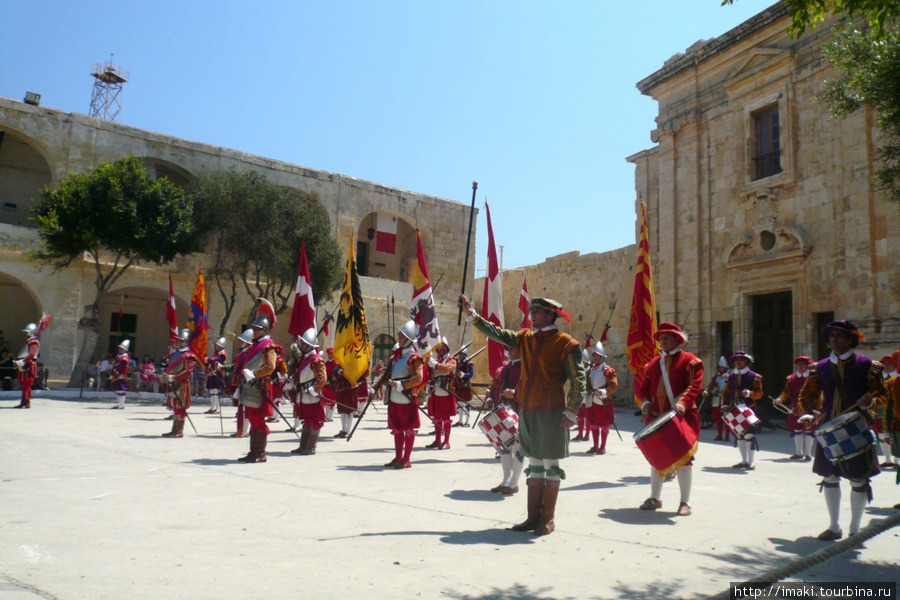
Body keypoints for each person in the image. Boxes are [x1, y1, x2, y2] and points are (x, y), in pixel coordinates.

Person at [459, 293, 585, 536]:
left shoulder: (566, 343)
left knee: (550, 463)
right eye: (531, 312)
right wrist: (472, 315)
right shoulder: (525, 338)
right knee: (535, 463)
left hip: (551, 410)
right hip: (527, 408)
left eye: (537, 311)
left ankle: (547, 518)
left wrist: (572, 410)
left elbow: (578, 380)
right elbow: (498, 333)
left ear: (550, 314)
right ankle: (532, 517)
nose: (532, 315)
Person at [799, 320, 886, 541]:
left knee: (858, 479)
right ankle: (834, 525)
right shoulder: (818, 368)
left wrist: (869, 402)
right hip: (828, 429)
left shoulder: (868, 365)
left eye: (839, 335)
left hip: (857, 428)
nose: (834, 339)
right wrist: (809, 411)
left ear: (850, 339)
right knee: (829, 477)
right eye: (831, 335)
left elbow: (881, 395)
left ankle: (855, 530)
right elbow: (806, 395)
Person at [638, 322, 704, 516]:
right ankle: (655, 497)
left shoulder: (690, 361)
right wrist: (645, 403)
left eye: (667, 337)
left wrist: (683, 402)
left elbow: (694, 386)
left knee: (684, 459)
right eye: (661, 337)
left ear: (678, 339)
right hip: (657, 418)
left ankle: (685, 502)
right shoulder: (652, 364)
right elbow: (644, 389)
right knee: (656, 458)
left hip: (680, 418)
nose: (662, 340)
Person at [371, 320, 425, 469]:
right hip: (394, 397)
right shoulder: (395, 357)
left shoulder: (415, 358)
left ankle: (406, 459)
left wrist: (401, 384)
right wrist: (374, 388)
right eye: (399, 336)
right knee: (397, 428)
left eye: (401, 336)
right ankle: (398, 457)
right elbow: (385, 375)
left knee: (408, 429)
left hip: (407, 398)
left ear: (408, 339)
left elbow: (418, 379)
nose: (399, 339)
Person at [236, 311, 280, 463]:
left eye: (257, 329)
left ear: (264, 331)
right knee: (253, 419)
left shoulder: (268, 346)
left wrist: (254, 373)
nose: (254, 331)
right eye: (254, 329)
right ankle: (253, 452)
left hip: (260, 387)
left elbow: (270, 367)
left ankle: (260, 453)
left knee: (258, 420)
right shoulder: (255, 345)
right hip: (250, 387)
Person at [485, 346, 524, 495]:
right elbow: (495, 384)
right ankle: (506, 480)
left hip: (518, 411)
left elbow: (529, 387)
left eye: (514, 348)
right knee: (504, 447)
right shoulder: (506, 366)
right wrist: (490, 397)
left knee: (519, 447)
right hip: (502, 411)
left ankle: (514, 483)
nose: (511, 351)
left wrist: (514, 393)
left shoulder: (526, 366)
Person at [720, 351, 763, 470]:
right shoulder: (730, 377)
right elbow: (727, 393)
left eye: (741, 359)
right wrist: (724, 404)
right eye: (736, 360)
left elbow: (759, 393)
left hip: (748, 409)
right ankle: (743, 461)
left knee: (749, 435)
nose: (738, 362)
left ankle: (751, 462)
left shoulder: (754, 376)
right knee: (739, 435)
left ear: (746, 361)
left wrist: (749, 393)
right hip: (734, 409)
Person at [288, 329, 327, 455]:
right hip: (303, 395)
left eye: (303, 343)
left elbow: (322, 378)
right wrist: (291, 380)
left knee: (314, 421)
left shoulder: (316, 360)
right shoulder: (304, 359)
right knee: (306, 420)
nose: (301, 345)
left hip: (312, 396)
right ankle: (303, 445)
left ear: (309, 345)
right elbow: (300, 374)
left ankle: (311, 447)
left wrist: (314, 389)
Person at [776, 356, 818, 461]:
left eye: (802, 364)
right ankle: (799, 452)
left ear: (808, 366)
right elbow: (787, 392)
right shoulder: (792, 378)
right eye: (798, 365)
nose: (800, 367)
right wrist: (780, 399)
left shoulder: (813, 378)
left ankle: (808, 454)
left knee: (809, 430)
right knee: (797, 429)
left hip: (809, 408)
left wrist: (817, 408)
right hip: (795, 409)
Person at [162, 330, 198, 438]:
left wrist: (173, 377)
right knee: (175, 407)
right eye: (177, 340)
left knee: (179, 407)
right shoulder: (175, 353)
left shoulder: (189, 355)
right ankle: (174, 430)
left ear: (185, 342)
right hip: (172, 383)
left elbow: (187, 371)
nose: (177, 342)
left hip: (181, 384)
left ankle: (178, 430)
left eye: (180, 340)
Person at [585, 341, 618, 455]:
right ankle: (595, 445)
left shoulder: (608, 371)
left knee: (603, 424)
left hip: (602, 400)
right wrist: (586, 390)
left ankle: (603, 447)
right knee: (593, 423)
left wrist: (603, 391)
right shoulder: (590, 370)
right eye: (594, 355)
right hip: (592, 399)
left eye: (597, 356)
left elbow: (614, 385)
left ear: (602, 357)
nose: (595, 357)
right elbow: (588, 383)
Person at [425, 338, 457, 449]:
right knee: (437, 417)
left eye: (444, 346)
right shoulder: (435, 359)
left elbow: (447, 369)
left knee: (446, 418)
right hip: (436, 391)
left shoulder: (451, 360)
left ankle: (446, 442)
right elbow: (431, 375)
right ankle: (438, 440)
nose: (441, 348)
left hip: (446, 391)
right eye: (440, 346)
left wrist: (434, 364)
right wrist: (429, 386)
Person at [226, 329, 254, 438]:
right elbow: (235, 367)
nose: (239, 342)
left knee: (245, 409)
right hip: (240, 382)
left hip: (246, 382)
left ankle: (245, 431)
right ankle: (241, 430)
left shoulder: (249, 352)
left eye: (242, 340)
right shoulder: (243, 352)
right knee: (242, 408)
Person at [874, 353, 898, 469]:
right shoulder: (879, 379)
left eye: (890, 363)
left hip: (895, 411)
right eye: (885, 364)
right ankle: (888, 459)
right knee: (882, 434)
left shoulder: (897, 378)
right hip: (880, 410)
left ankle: (897, 461)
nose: (887, 366)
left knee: (896, 435)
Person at [15, 323, 42, 409]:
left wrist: (22, 362)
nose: (24, 334)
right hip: (24, 363)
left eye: (26, 332)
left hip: (29, 364)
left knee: (26, 383)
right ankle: (24, 401)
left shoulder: (33, 342)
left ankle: (26, 401)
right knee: (23, 384)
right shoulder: (28, 341)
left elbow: (31, 355)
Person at [703, 357, 729, 441]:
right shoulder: (716, 376)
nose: (721, 369)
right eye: (720, 367)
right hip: (717, 397)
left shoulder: (729, 376)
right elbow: (711, 385)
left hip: (725, 399)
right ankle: (720, 435)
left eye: (723, 367)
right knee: (717, 418)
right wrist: (707, 391)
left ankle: (727, 436)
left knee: (727, 418)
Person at [204, 338, 227, 414]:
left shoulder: (222, 354)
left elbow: (217, 360)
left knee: (217, 392)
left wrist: (208, 360)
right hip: (212, 374)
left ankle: (218, 409)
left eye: (217, 345)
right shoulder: (214, 354)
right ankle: (212, 408)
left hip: (218, 374)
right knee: (212, 391)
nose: (216, 347)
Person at [453, 351, 474, 427]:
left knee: (467, 403)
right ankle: (460, 421)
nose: (461, 356)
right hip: (458, 385)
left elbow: (471, 374)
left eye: (462, 354)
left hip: (465, 386)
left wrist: (463, 374)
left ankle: (467, 422)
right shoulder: (457, 363)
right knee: (459, 404)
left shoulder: (469, 363)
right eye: (460, 354)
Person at [110, 340, 131, 410]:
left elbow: (119, 365)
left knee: (121, 389)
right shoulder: (119, 356)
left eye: (120, 348)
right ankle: (118, 404)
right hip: (117, 375)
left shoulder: (124, 358)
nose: (119, 349)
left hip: (121, 375)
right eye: (119, 348)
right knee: (117, 390)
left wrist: (115, 365)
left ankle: (121, 405)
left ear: (124, 350)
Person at [321, 347, 337, 423]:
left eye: (330, 353)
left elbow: (336, 374)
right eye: (328, 353)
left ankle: (330, 416)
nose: (329, 355)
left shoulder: (335, 363)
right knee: (325, 400)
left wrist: (332, 380)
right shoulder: (327, 363)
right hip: (326, 383)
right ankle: (326, 416)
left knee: (332, 400)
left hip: (332, 384)